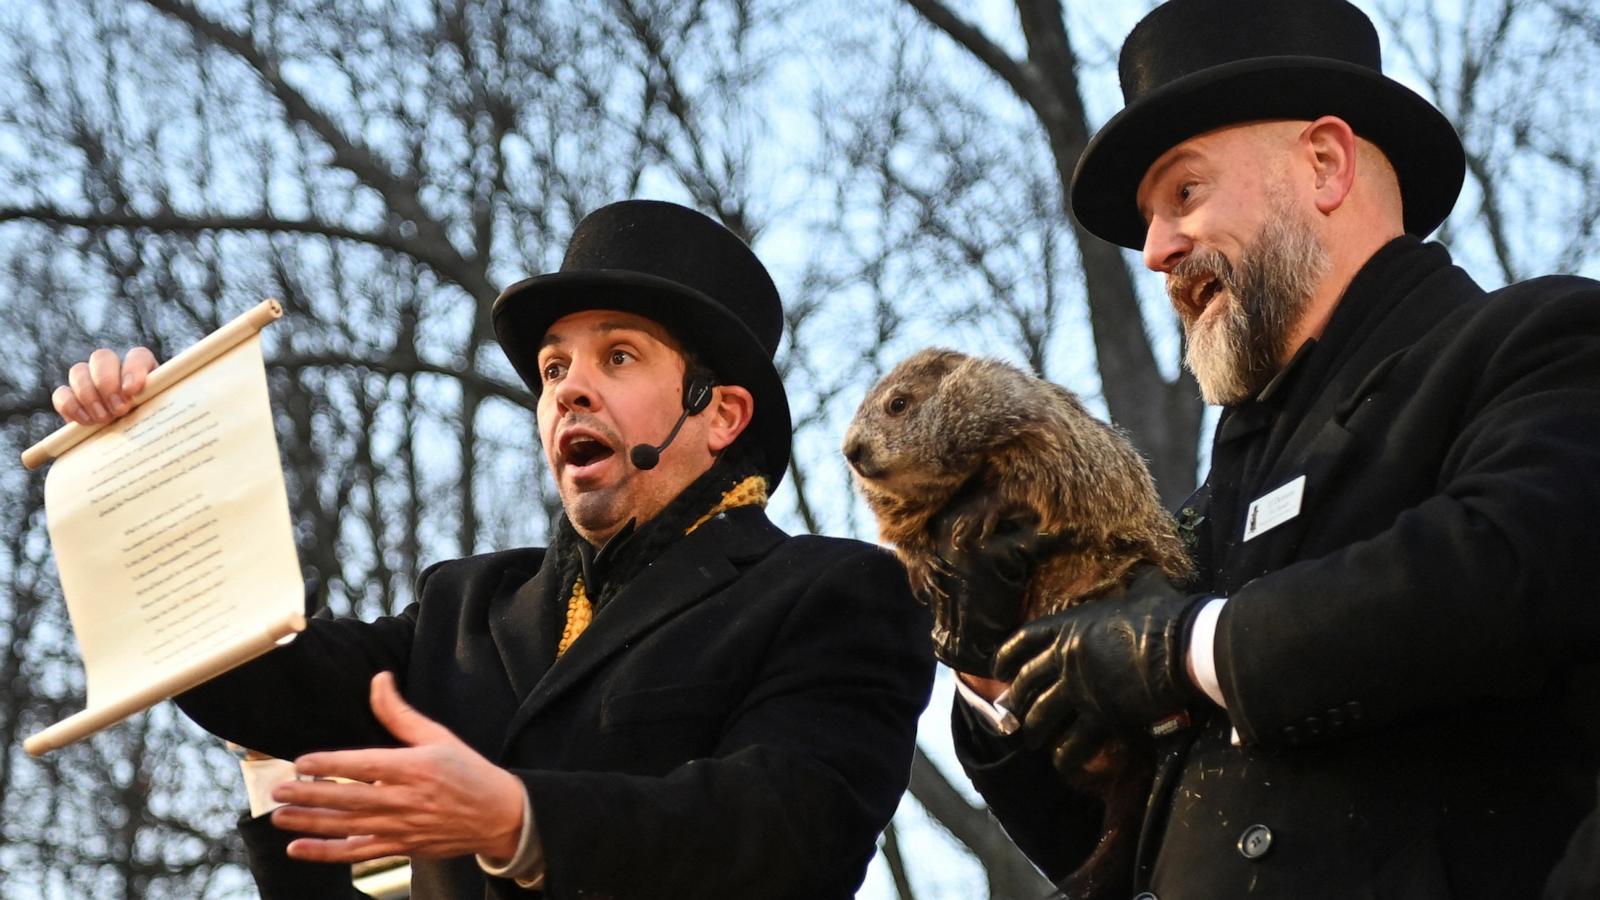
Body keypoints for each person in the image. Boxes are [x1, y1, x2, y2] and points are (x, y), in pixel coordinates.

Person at [53, 199, 935, 899]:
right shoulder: (461, 608)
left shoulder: (834, 592)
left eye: (618, 356)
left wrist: (520, 819)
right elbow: (266, 679)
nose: (569, 390)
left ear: (721, 413)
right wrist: (140, 476)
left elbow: (788, 827)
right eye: (553, 370)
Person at [928, 1, 1600, 897]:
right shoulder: (1214, 504)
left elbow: (1500, 567)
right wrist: (999, 671)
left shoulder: (1538, 344)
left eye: (1185, 194)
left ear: (1325, 163)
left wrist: (1190, 648)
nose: (1157, 249)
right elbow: (1116, 840)